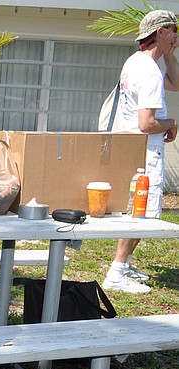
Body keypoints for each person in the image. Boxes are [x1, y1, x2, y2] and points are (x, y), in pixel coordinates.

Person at [104, 10, 179, 294]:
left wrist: (170, 54)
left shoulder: (137, 63)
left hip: (132, 149)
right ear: (159, 32)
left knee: (138, 210)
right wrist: (171, 123)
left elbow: (176, 84)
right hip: (145, 151)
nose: (177, 35)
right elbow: (146, 123)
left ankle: (126, 264)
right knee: (140, 213)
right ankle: (116, 272)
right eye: (173, 29)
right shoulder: (148, 70)